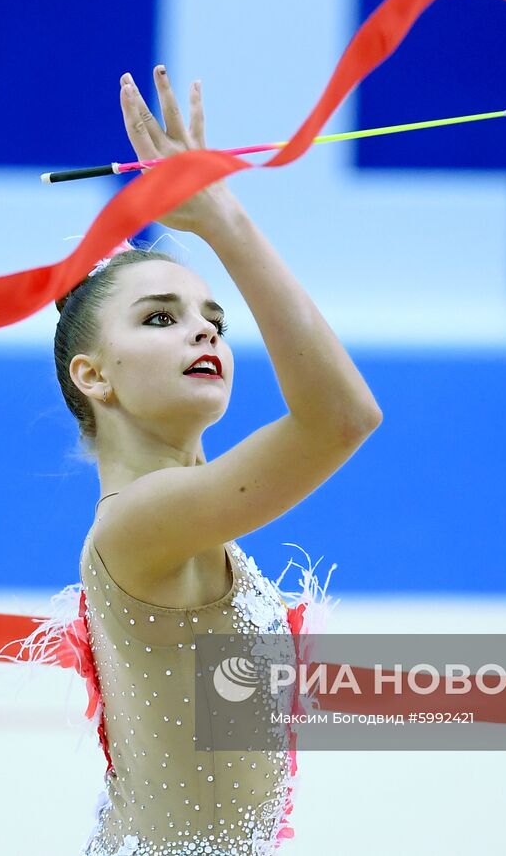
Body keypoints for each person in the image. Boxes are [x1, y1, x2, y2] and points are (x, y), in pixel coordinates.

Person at [39, 65, 381, 855]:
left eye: (212, 318)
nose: (204, 333)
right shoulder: (139, 524)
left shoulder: (179, 521)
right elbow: (341, 418)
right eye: (160, 318)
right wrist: (225, 222)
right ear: (92, 374)